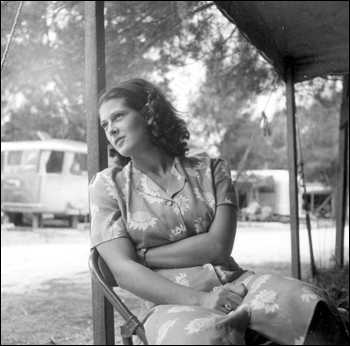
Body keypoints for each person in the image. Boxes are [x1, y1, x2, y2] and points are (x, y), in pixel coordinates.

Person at [89, 78, 349, 345]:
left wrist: (142, 255)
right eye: (105, 125)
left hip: (238, 284)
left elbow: (218, 247)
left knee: (310, 306)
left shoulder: (211, 170)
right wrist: (202, 299)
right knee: (206, 337)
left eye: (118, 116)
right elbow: (121, 270)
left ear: (148, 113)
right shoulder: (108, 186)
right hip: (170, 302)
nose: (111, 130)